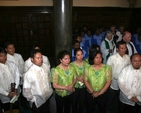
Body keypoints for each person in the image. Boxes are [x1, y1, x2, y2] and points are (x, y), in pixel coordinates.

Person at [22, 49, 53, 113]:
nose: (40, 59)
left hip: (47, 96)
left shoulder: (46, 66)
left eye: (41, 57)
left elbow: (48, 79)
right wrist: (33, 99)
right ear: (32, 59)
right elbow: (26, 91)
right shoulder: (29, 73)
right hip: (37, 101)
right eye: (37, 58)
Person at [106, 41, 130, 113]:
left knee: (121, 97)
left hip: (124, 82)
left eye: (125, 48)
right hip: (114, 81)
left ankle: (118, 109)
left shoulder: (127, 57)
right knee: (112, 96)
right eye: (121, 48)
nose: (124, 50)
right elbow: (108, 71)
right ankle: (108, 109)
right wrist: (108, 82)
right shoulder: (112, 58)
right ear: (117, 49)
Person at [0, 47, 20, 112]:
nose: (4, 57)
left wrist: (16, 88)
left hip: (14, 92)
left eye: (5, 55)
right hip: (4, 94)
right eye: (1, 56)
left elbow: (17, 76)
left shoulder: (12, 64)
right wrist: (7, 94)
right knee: (7, 110)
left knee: (15, 109)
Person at [71, 48, 89, 113]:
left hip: (84, 86)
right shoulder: (71, 65)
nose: (80, 56)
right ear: (75, 56)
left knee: (82, 102)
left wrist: (84, 78)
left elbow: (89, 74)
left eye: (81, 54)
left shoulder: (86, 64)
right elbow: (70, 75)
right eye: (78, 55)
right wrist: (77, 78)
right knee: (74, 102)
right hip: (75, 86)